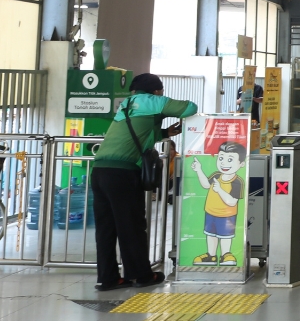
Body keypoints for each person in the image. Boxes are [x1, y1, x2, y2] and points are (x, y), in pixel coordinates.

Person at [91, 73, 198, 290]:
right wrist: (164, 104)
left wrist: (163, 132)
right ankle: (141, 275)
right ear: (157, 90)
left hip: (100, 170)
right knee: (132, 226)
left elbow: (135, 133)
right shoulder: (154, 101)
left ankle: (108, 278)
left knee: (106, 228)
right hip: (122, 173)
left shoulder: (127, 105)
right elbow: (190, 108)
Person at [190, 141, 247, 264]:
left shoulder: (237, 182)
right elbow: (206, 185)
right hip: (210, 212)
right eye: (221, 158)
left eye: (230, 160)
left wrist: (220, 190)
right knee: (210, 234)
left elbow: (232, 202)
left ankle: (226, 254)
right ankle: (211, 255)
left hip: (227, 215)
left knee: (225, 236)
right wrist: (199, 170)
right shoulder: (216, 175)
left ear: (241, 164)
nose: (223, 163)